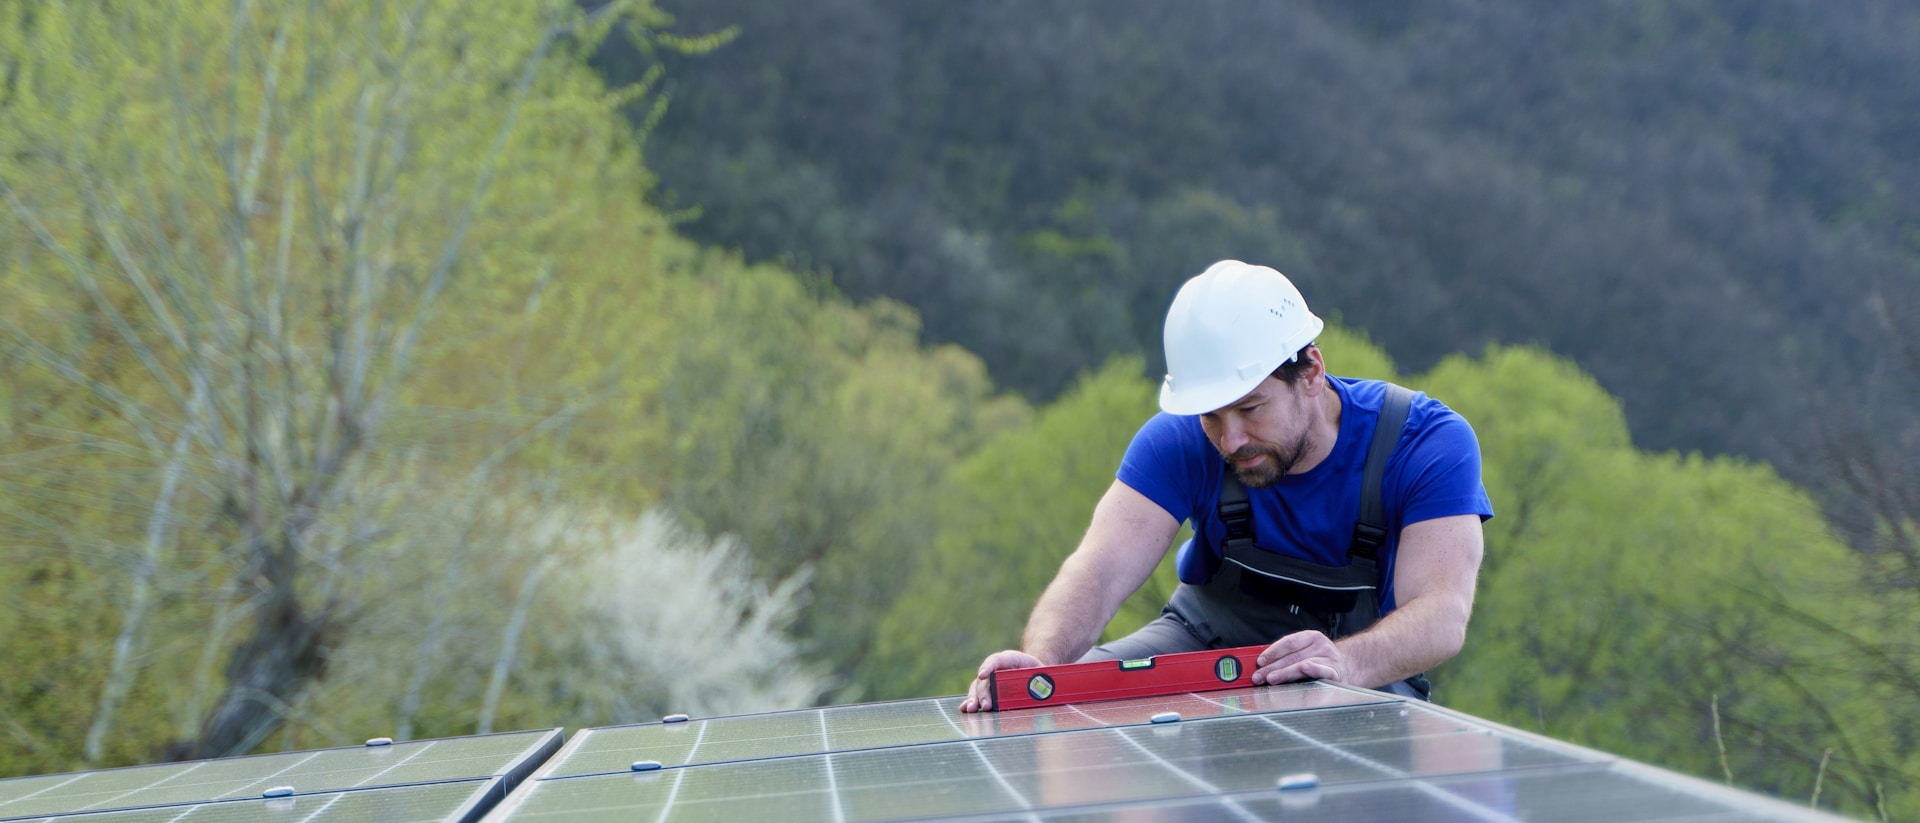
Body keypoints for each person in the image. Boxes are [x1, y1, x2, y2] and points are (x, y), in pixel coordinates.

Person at [959, 260, 1492, 712]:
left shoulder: (1426, 442)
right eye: (1211, 417)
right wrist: (1041, 667)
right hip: (1200, 640)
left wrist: (1344, 661)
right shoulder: (1179, 438)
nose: (1230, 439)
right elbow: (1098, 570)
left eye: (1250, 408)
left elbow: (1442, 614)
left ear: (1310, 372)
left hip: (1356, 663)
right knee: (1077, 704)